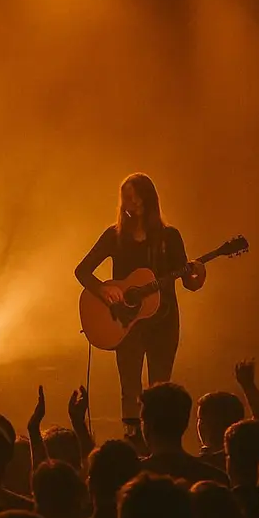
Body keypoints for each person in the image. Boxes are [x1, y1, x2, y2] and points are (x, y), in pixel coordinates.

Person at [74, 173, 205, 436]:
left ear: (147, 200)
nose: (126, 205)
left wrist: (198, 276)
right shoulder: (114, 236)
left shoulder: (169, 237)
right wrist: (103, 288)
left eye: (131, 198)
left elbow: (187, 281)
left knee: (160, 388)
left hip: (164, 321)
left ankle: (160, 439)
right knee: (130, 388)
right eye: (124, 199)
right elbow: (82, 270)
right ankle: (133, 440)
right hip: (126, 321)